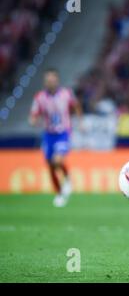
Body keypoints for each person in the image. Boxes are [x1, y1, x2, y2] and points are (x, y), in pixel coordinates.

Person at [29, 68, 82, 207]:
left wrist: (80, 121)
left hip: (63, 132)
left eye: (52, 80)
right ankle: (59, 193)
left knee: (57, 160)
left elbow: (76, 105)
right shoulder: (39, 97)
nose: (50, 82)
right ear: (45, 82)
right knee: (50, 166)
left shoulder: (66, 94)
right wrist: (33, 120)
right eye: (48, 80)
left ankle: (68, 179)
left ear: (57, 80)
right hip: (48, 135)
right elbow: (34, 113)